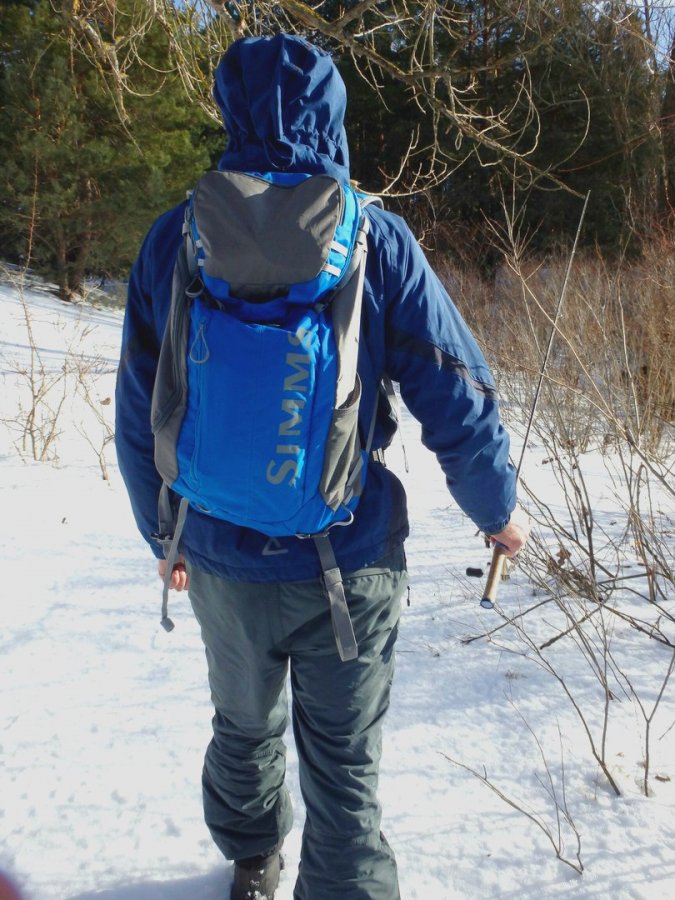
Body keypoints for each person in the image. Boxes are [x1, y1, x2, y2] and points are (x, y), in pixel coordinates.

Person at [115, 33, 530, 900]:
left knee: (242, 726)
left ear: (228, 113)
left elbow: (139, 406)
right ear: (331, 118)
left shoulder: (175, 238)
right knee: (342, 765)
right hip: (348, 553)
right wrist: (495, 509)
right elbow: (452, 387)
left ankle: (252, 859)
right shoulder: (374, 236)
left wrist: (164, 534)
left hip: (219, 553)